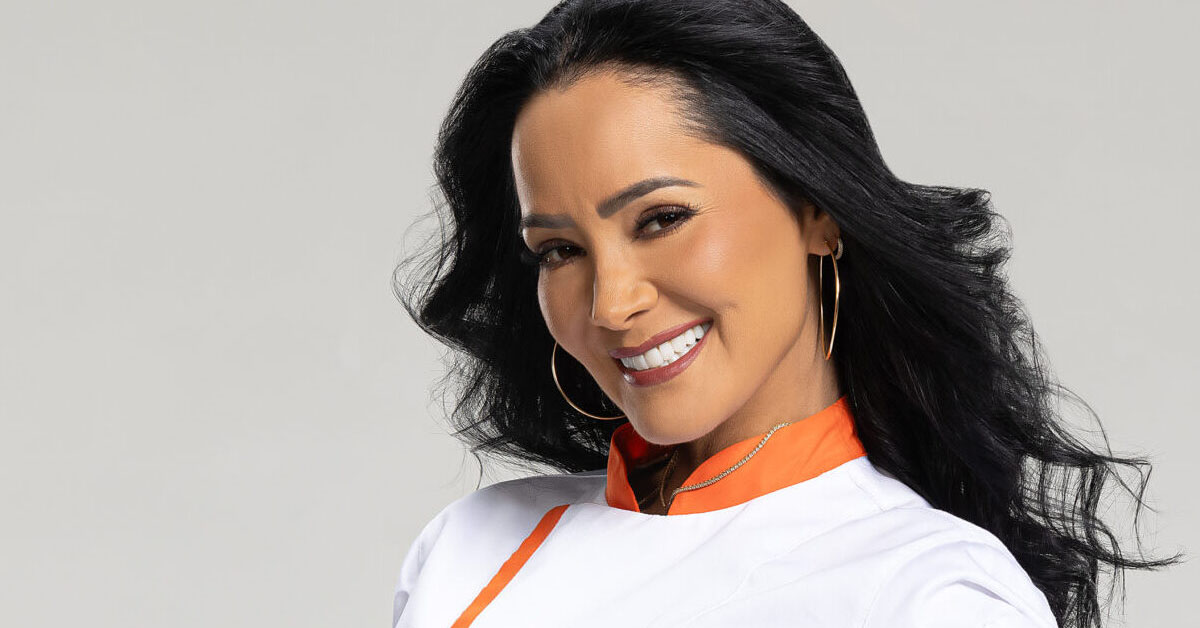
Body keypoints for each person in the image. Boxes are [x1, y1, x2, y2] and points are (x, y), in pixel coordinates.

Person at [391, 1, 1182, 626]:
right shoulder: (468, 551)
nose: (611, 303)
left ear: (817, 211)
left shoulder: (931, 596)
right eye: (560, 250)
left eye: (662, 219)